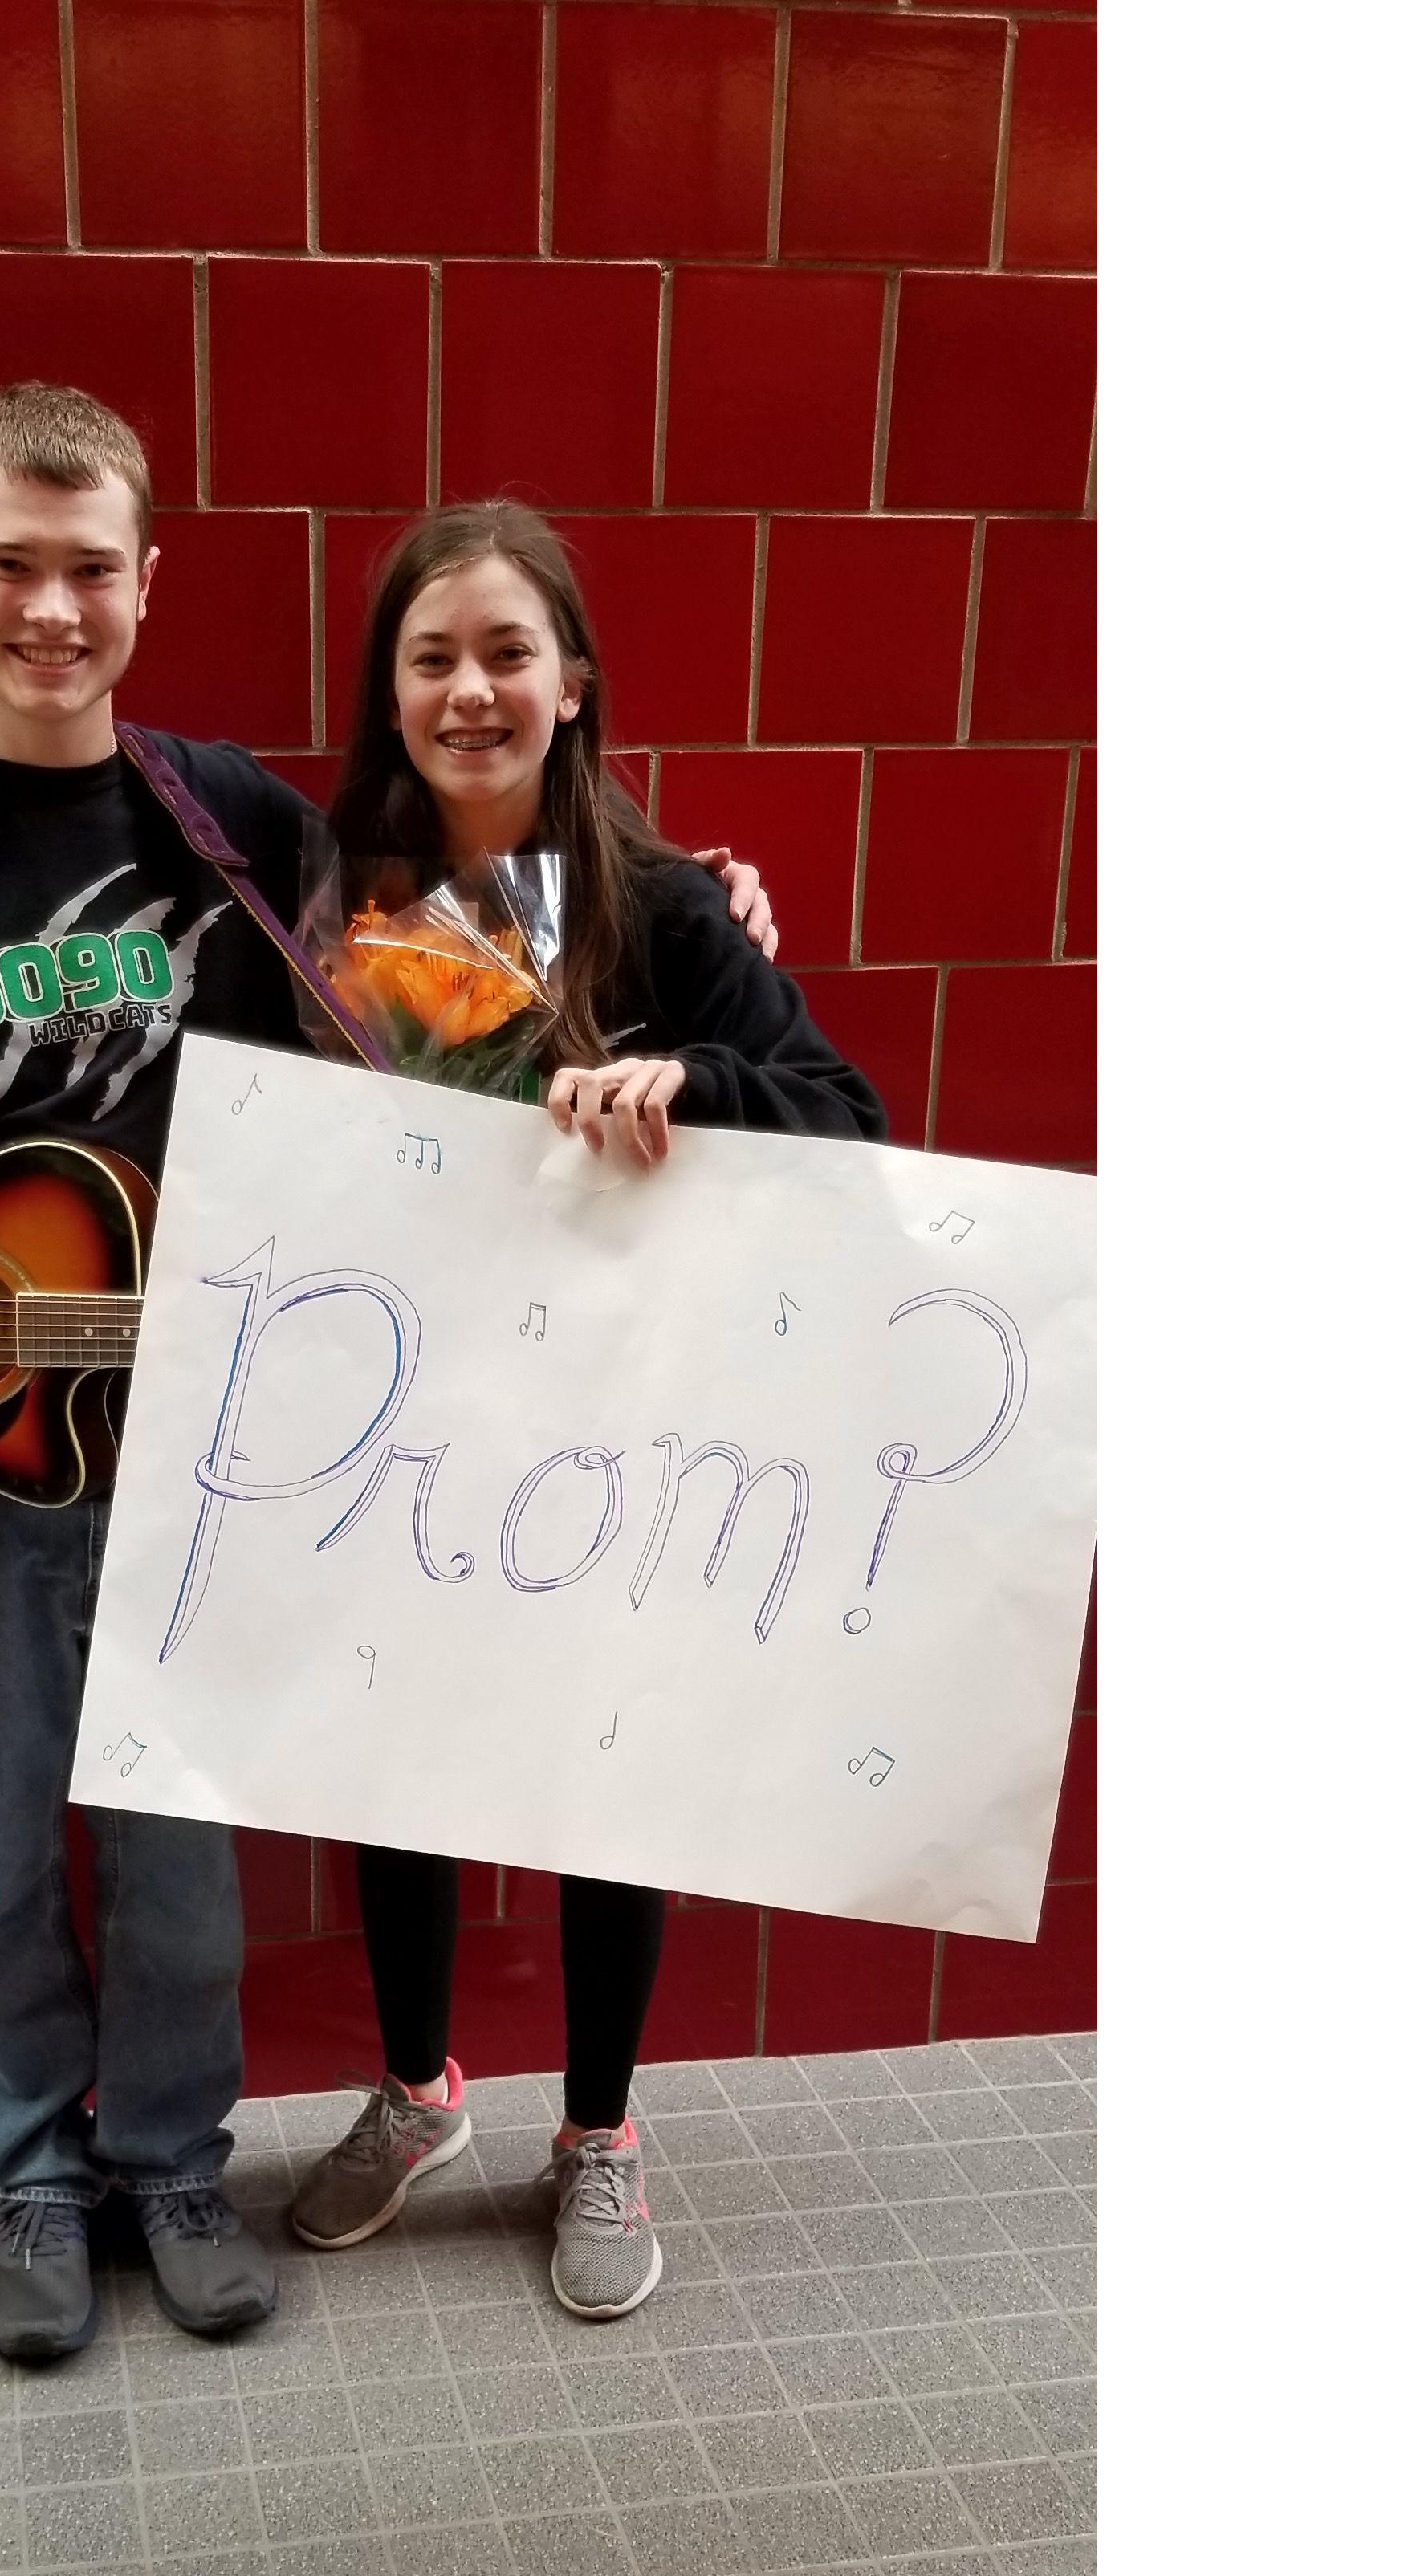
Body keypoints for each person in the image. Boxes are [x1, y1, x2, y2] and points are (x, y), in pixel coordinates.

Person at [0, 389, 786, 2362]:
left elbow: (468, 1013)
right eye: (12, 565)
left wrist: (692, 923)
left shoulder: (234, 819)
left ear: (145, 583)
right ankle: (37, 2180)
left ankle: (181, 2168)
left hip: (194, 1452)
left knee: (182, 1857)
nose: (53, 608)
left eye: (91, 568)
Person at [285, 501, 886, 2324]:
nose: (470, 690)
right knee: (393, 1767)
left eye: (506, 653)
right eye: (431, 656)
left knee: (615, 1778)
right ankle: (418, 2092)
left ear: (574, 681)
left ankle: (602, 2133)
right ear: (388, 691)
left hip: (624, 1429)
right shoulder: (328, 899)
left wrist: (692, 1077)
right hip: (408, 1422)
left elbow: (841, 1111)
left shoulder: (661, 898)